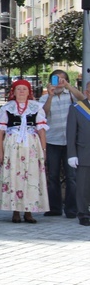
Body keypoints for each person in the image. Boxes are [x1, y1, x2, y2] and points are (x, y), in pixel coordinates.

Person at [0, 79, 49, 223]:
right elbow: (0, 132)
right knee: (14, 176)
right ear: (13, 92)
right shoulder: (7, 108)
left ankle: (29, 211)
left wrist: (43, 150)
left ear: (29, 91)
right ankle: (16, 211)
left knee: (31, 176)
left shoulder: (36, 107)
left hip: (31, 146)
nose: (21, 92)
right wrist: (0, 152)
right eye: (18, 89)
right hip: (12, 146)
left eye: (24, 89)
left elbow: (42, 131)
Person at [39, 70, 86, 218]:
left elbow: (84, 100)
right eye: (56, 79)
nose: (59, 82)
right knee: (53, 176)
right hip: (52, 140)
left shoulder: (71, 96)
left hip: (70, 143)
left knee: (71, 177)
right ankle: (55, 208)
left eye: (62, 79)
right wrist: (50, 96)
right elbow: (43, 115)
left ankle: (72, 209)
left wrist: (69, 86)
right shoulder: (45, 98)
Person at [66, 81, 90, 226]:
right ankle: (83, 214)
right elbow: (70, 134)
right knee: (82, 186)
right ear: (87, 92)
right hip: (84, 153)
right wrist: (71, 154)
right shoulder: (77, 109)